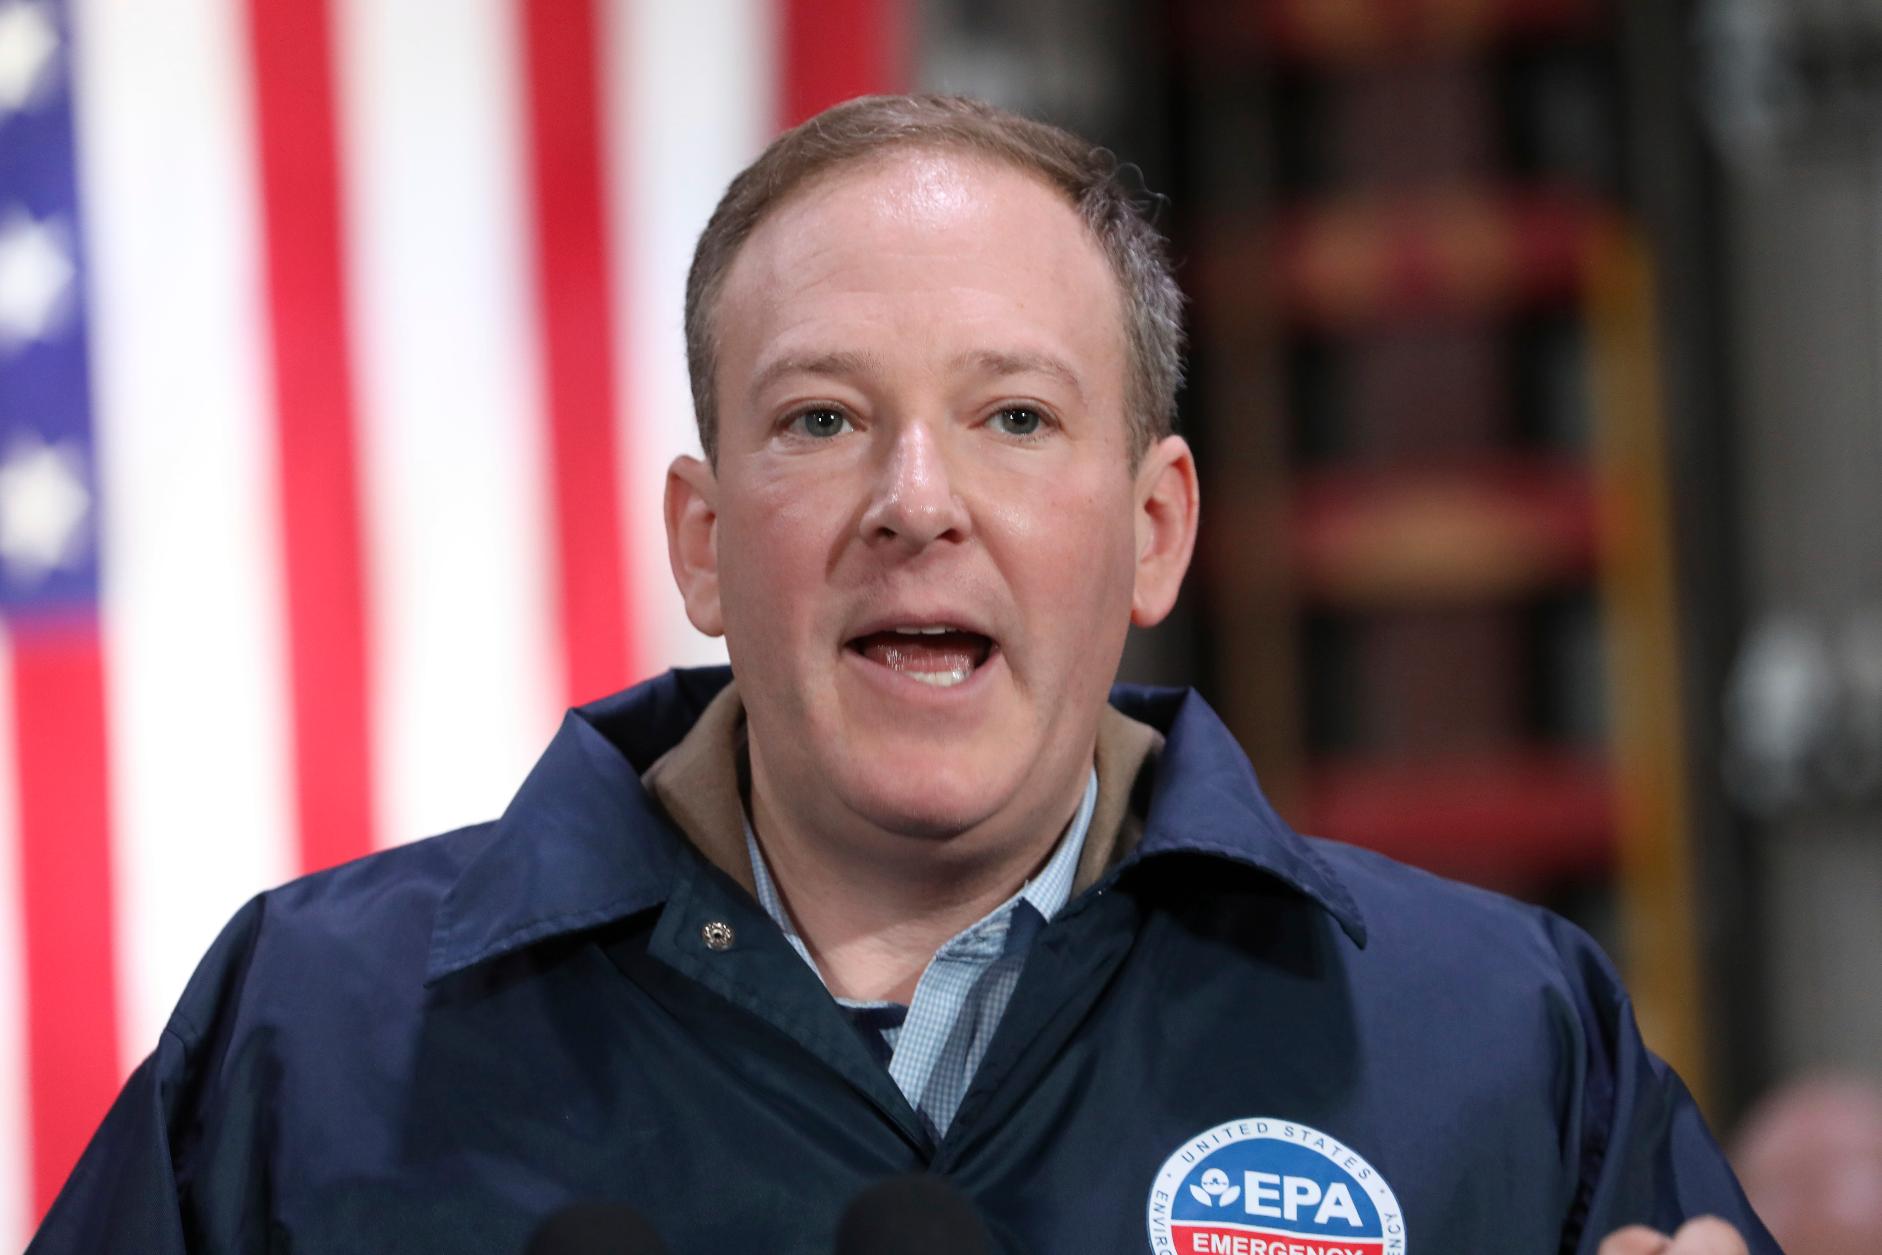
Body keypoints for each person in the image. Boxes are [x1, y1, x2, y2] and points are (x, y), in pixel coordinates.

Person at [30, 94, 1772, 1254]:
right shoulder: (314, 1040)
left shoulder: (1495, 1041)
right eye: (820, 420)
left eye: (1012, 417)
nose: (915, 501)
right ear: (704, 542)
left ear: (1152, 529)